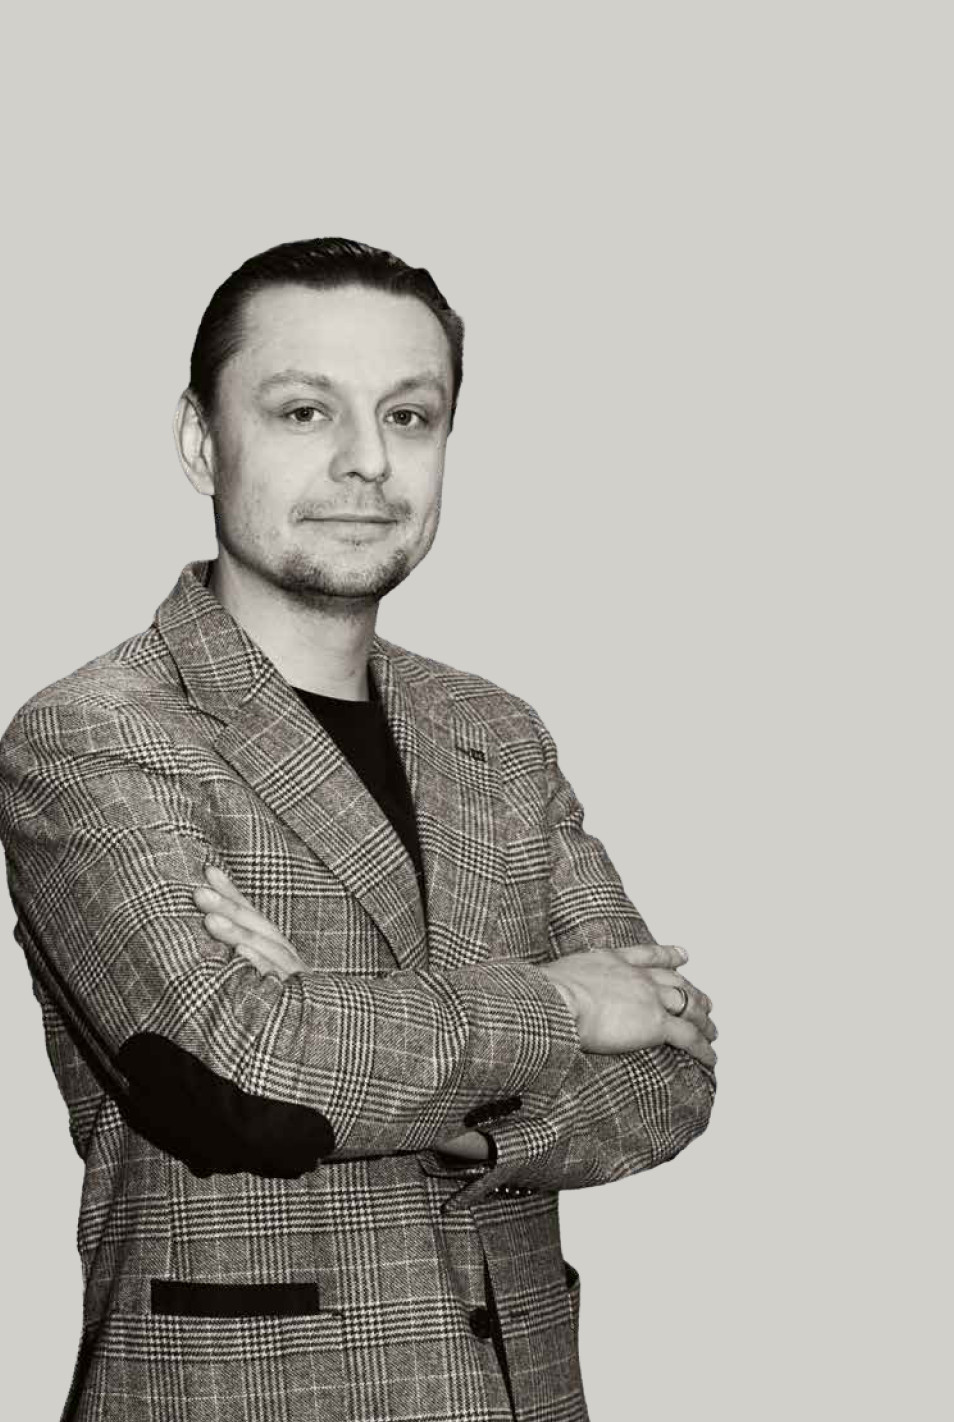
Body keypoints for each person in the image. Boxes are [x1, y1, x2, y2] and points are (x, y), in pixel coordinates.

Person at [0, 237, 717, 1422]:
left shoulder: (493, 732)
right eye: (302, 411)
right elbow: (240, 1077)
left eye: (408, 416)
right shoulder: (96, 734)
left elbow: (667, 1080)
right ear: (200, 439)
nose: (367, 461)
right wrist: (563, 1005)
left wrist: (401, 1082)